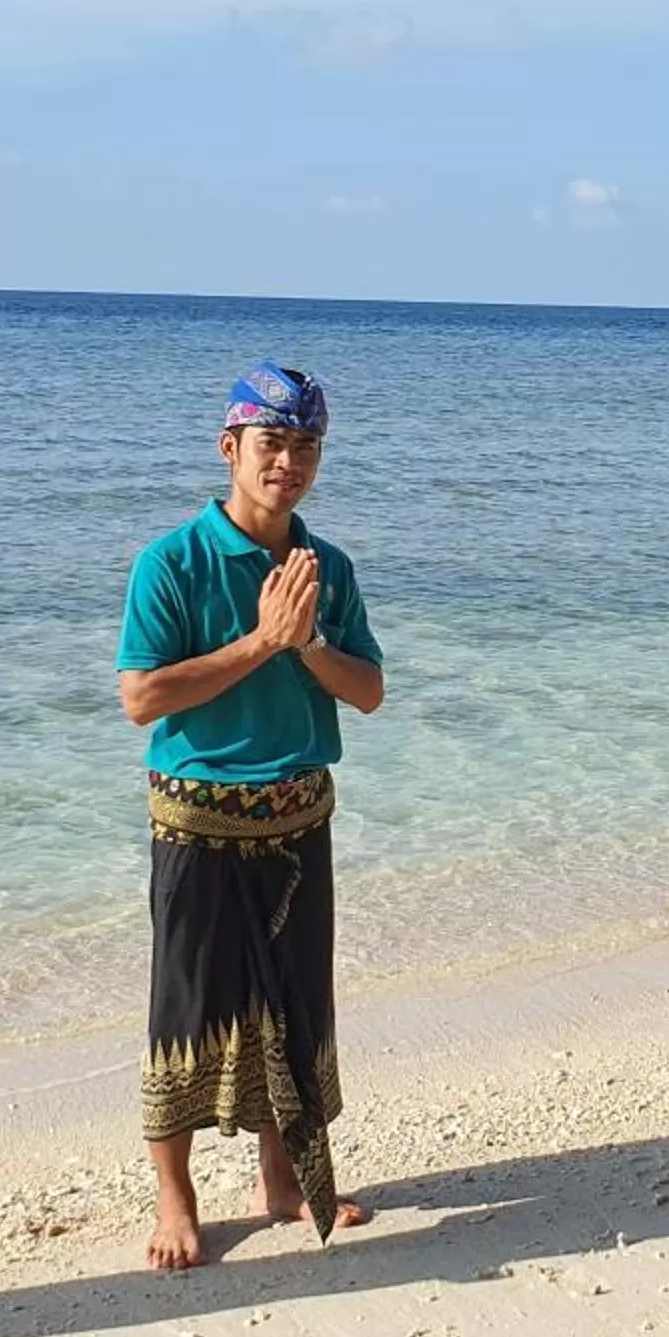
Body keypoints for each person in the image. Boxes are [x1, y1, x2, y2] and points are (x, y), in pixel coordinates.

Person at [117, 362, 388, 1268]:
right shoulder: (171, 562)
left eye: (306, 446)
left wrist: (304, 644)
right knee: (185, 1010)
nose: (289, 463)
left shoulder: (326, 567)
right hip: (197, 820)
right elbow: (143, 698)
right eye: (272, 444)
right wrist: (261, 642)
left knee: (299, 1009)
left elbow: (368, 691)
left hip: (300, 815)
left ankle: (286, 1180)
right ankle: (176, 1197)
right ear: (230, 448)